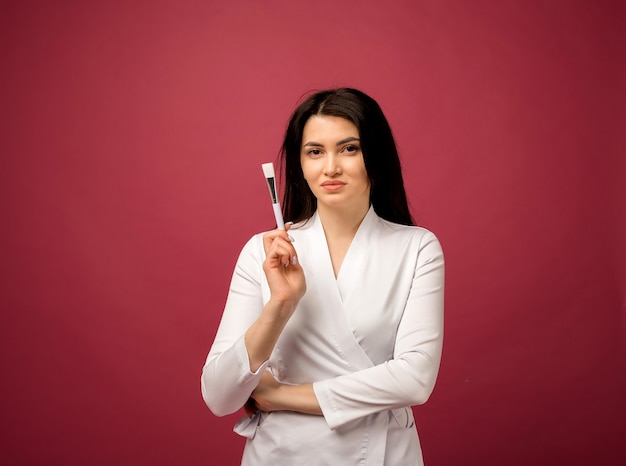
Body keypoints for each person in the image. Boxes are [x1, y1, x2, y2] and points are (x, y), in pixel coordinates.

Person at [201, 88, 444, 465]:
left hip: (381, 453)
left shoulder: (416, 248)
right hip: (280, 454)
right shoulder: (262, 253)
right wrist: (280, 305)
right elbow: (219, 396)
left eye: (349, 149)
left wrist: (279, 396)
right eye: (315, 152)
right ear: (300, 164)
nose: (331, 167)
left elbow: (415, 379)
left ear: (375, 157)